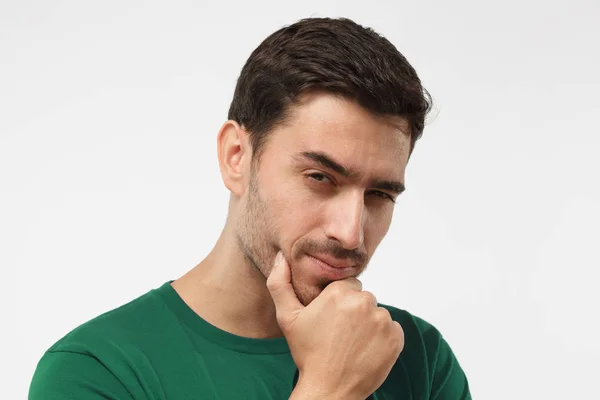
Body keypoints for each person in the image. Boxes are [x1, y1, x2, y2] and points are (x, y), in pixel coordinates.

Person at [29, 17, 471, 399]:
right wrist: (329, 390)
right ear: (237, 156)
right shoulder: (98, 371)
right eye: (320, 178)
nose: (351, 233)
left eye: (379, 195)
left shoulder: (416, 357)